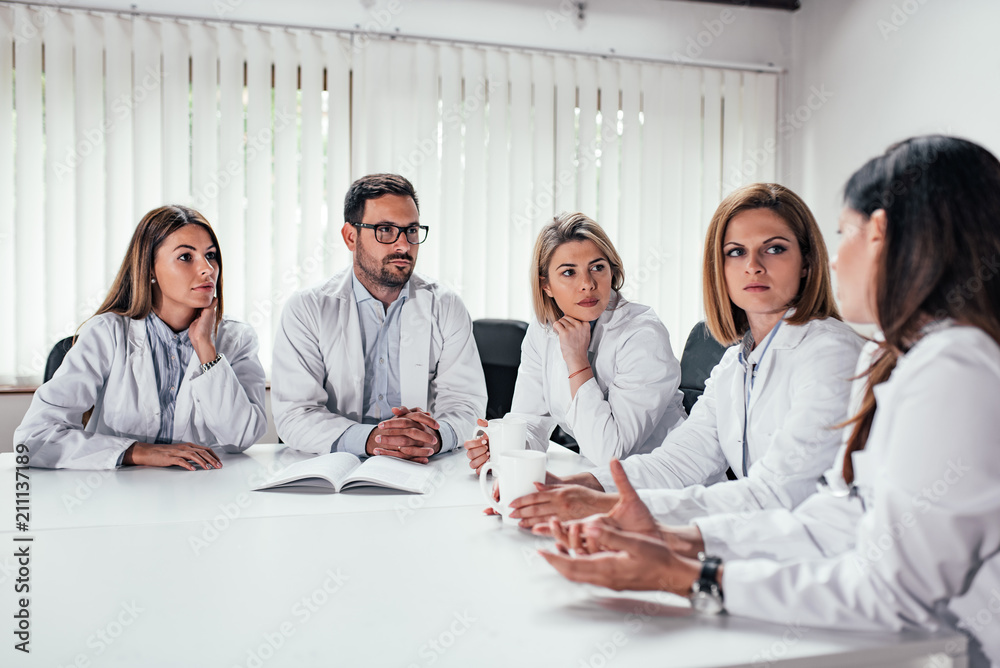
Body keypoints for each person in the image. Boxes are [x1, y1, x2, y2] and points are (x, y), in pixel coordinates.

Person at [541, 135, 1000, 667]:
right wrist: (657, 526)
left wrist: (693, 572)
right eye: (736, 253)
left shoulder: (942, 365)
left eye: (841, 233)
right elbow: (843, 516)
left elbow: (886, 581)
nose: (754, 266)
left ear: (878, 235)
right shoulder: (899, 358)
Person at [508, 184, 863, 529]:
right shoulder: (733, 366)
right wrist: (583, 487)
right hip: (757, 539)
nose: (753, 266)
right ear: (718, 268)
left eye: (774, 249)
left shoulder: (830, 353)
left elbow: (776, 494)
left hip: (808, 556)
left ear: (806, 262)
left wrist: (614, 508)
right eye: (736, 252)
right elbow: (678, 463)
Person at [15, 205, 267, 470]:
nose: (207, 269)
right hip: (117, 496)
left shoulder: (236, 338)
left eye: (211, 255)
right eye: (185, 257)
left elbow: (241, 437)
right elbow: (33, 439)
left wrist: (206, 350)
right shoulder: (106, 334)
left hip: (203, 490)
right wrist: (137, 452)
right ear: (149, 269)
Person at [271, 173, 487, 462]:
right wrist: (373, 439)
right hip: (336, 464)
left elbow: (466, 404)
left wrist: (435, 436)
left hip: (422, 463)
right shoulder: (307, 308)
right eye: (385, 230)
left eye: (411, 230)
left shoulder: (446, 306)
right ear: (351, 236)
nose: (403, 246)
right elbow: (296, 414)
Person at [463, 212, 686, 471]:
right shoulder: (543, 329)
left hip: (669, 486)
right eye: (569, 272)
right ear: (545, 285)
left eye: (597, 267)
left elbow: (609, 453)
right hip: (602, 481)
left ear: (612, 272)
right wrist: (501, 448)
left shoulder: (642, 335)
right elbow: (531, 421)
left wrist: (577, 361)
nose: (587, 284)